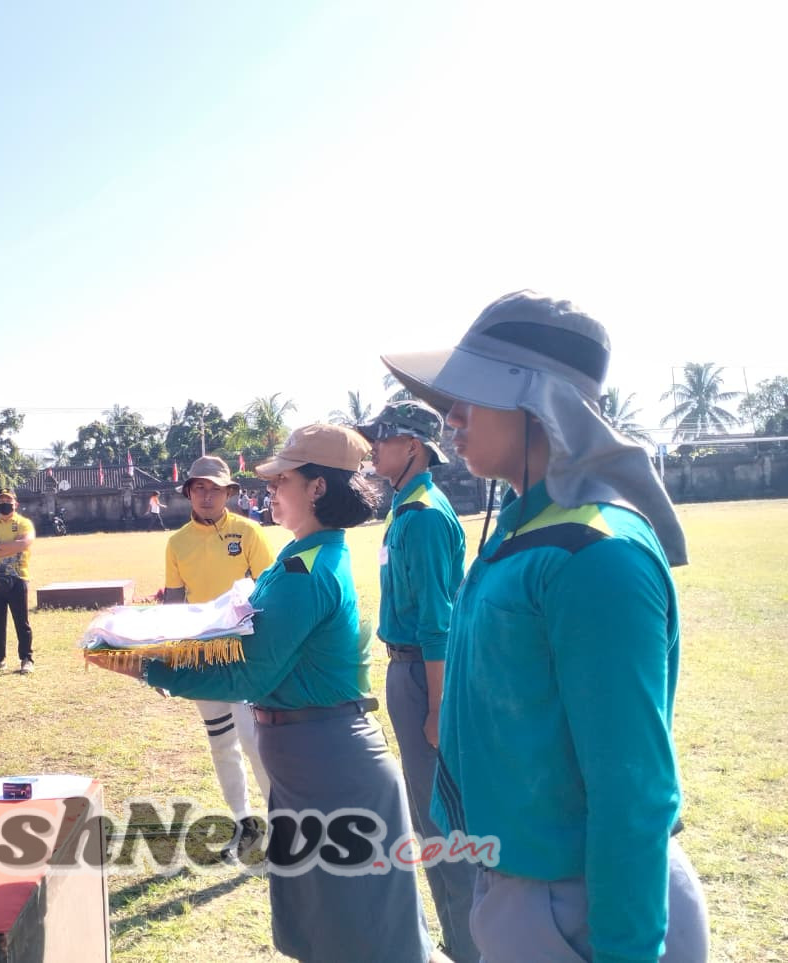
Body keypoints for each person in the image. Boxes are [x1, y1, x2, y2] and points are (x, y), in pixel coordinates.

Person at [382, 290, 709, 963]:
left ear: (538, 401)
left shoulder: (597, 555)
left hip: (585, 907)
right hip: (524, 890)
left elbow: (632, 788)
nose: (452, 418)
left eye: (468, 395)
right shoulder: (525, 527)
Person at [94, 427, 439, 963]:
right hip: (313, 766)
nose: (271, 489)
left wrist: (147, 666)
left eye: (283, 479)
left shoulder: (306, 570)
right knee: (330, 928)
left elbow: (248, 674)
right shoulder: (300, 556)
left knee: (366, 936)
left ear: (318, 488)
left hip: (330, 769)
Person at [358, 401, 477, 963]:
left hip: (422, 673)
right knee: (432, 818)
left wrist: (436, 705)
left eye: (382, 440)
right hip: (408, 669)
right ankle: (461, 939)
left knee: (441, 820)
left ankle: (470, 945)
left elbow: (437, 622)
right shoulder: (407, 507)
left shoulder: (424, 513)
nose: (373, 449)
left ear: (413, 446)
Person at [163, 455, 274, 860]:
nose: (207, 496)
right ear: (189, 492)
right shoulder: (177, 542)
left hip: (244, 655)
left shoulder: (247, 532)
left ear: (230, 493)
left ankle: (278, 824)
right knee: (221, 743)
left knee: (253, 740)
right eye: (199, 488)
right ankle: (244, 824)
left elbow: (271, 590)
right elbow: (174, 604)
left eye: (215, 489)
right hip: (201, 656)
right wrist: (168, 660)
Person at [0, 489, 36, 674]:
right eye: (1, 501)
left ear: (16, 504)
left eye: (8, 500)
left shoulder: (23, 524)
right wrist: (11, 546)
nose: (5, 503)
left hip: (18, 578)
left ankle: (26, 659)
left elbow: (24, 544)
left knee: (21, 622)